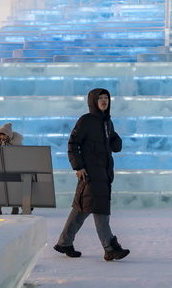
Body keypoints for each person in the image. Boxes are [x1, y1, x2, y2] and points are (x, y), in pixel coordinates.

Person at [53, 87, 130, 261]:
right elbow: (73, 143)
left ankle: (65, 242)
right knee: (99, 208)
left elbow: (115, 146)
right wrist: (78, 167)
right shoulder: (86, 120)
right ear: (93, 101)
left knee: (82, 207)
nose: (104, 101)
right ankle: (110, 247)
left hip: (103, 171)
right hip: (90, 172)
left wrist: (115, 139)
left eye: (106, 98)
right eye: (100, 98)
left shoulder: (107, 123)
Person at [0, 122, 23, 215]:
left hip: (14, 168)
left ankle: (15, 208)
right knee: (0, 188)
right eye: (1, 135)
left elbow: (20, 155)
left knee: (14, 188)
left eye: (4, 135)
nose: (2, 137)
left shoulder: (17, 143)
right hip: (1, 168)